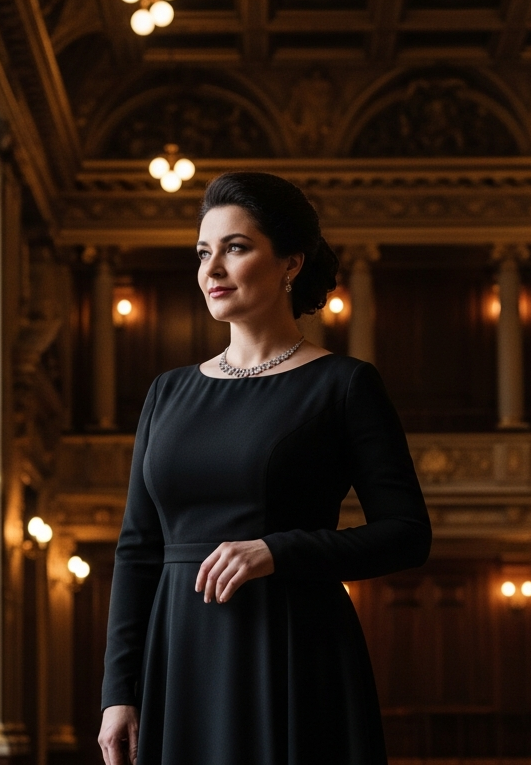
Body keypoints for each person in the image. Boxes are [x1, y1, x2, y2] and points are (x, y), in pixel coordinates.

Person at [97, 172, 431, 765]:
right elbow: (136, 549)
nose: (212, 269)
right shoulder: (166, 393)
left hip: (292, 650)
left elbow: (407, 533)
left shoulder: (344, 385)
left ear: (290, 264)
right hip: (178, 657)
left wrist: (278, 551)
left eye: (236, 247)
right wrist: (118, 693)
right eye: (204, 253)